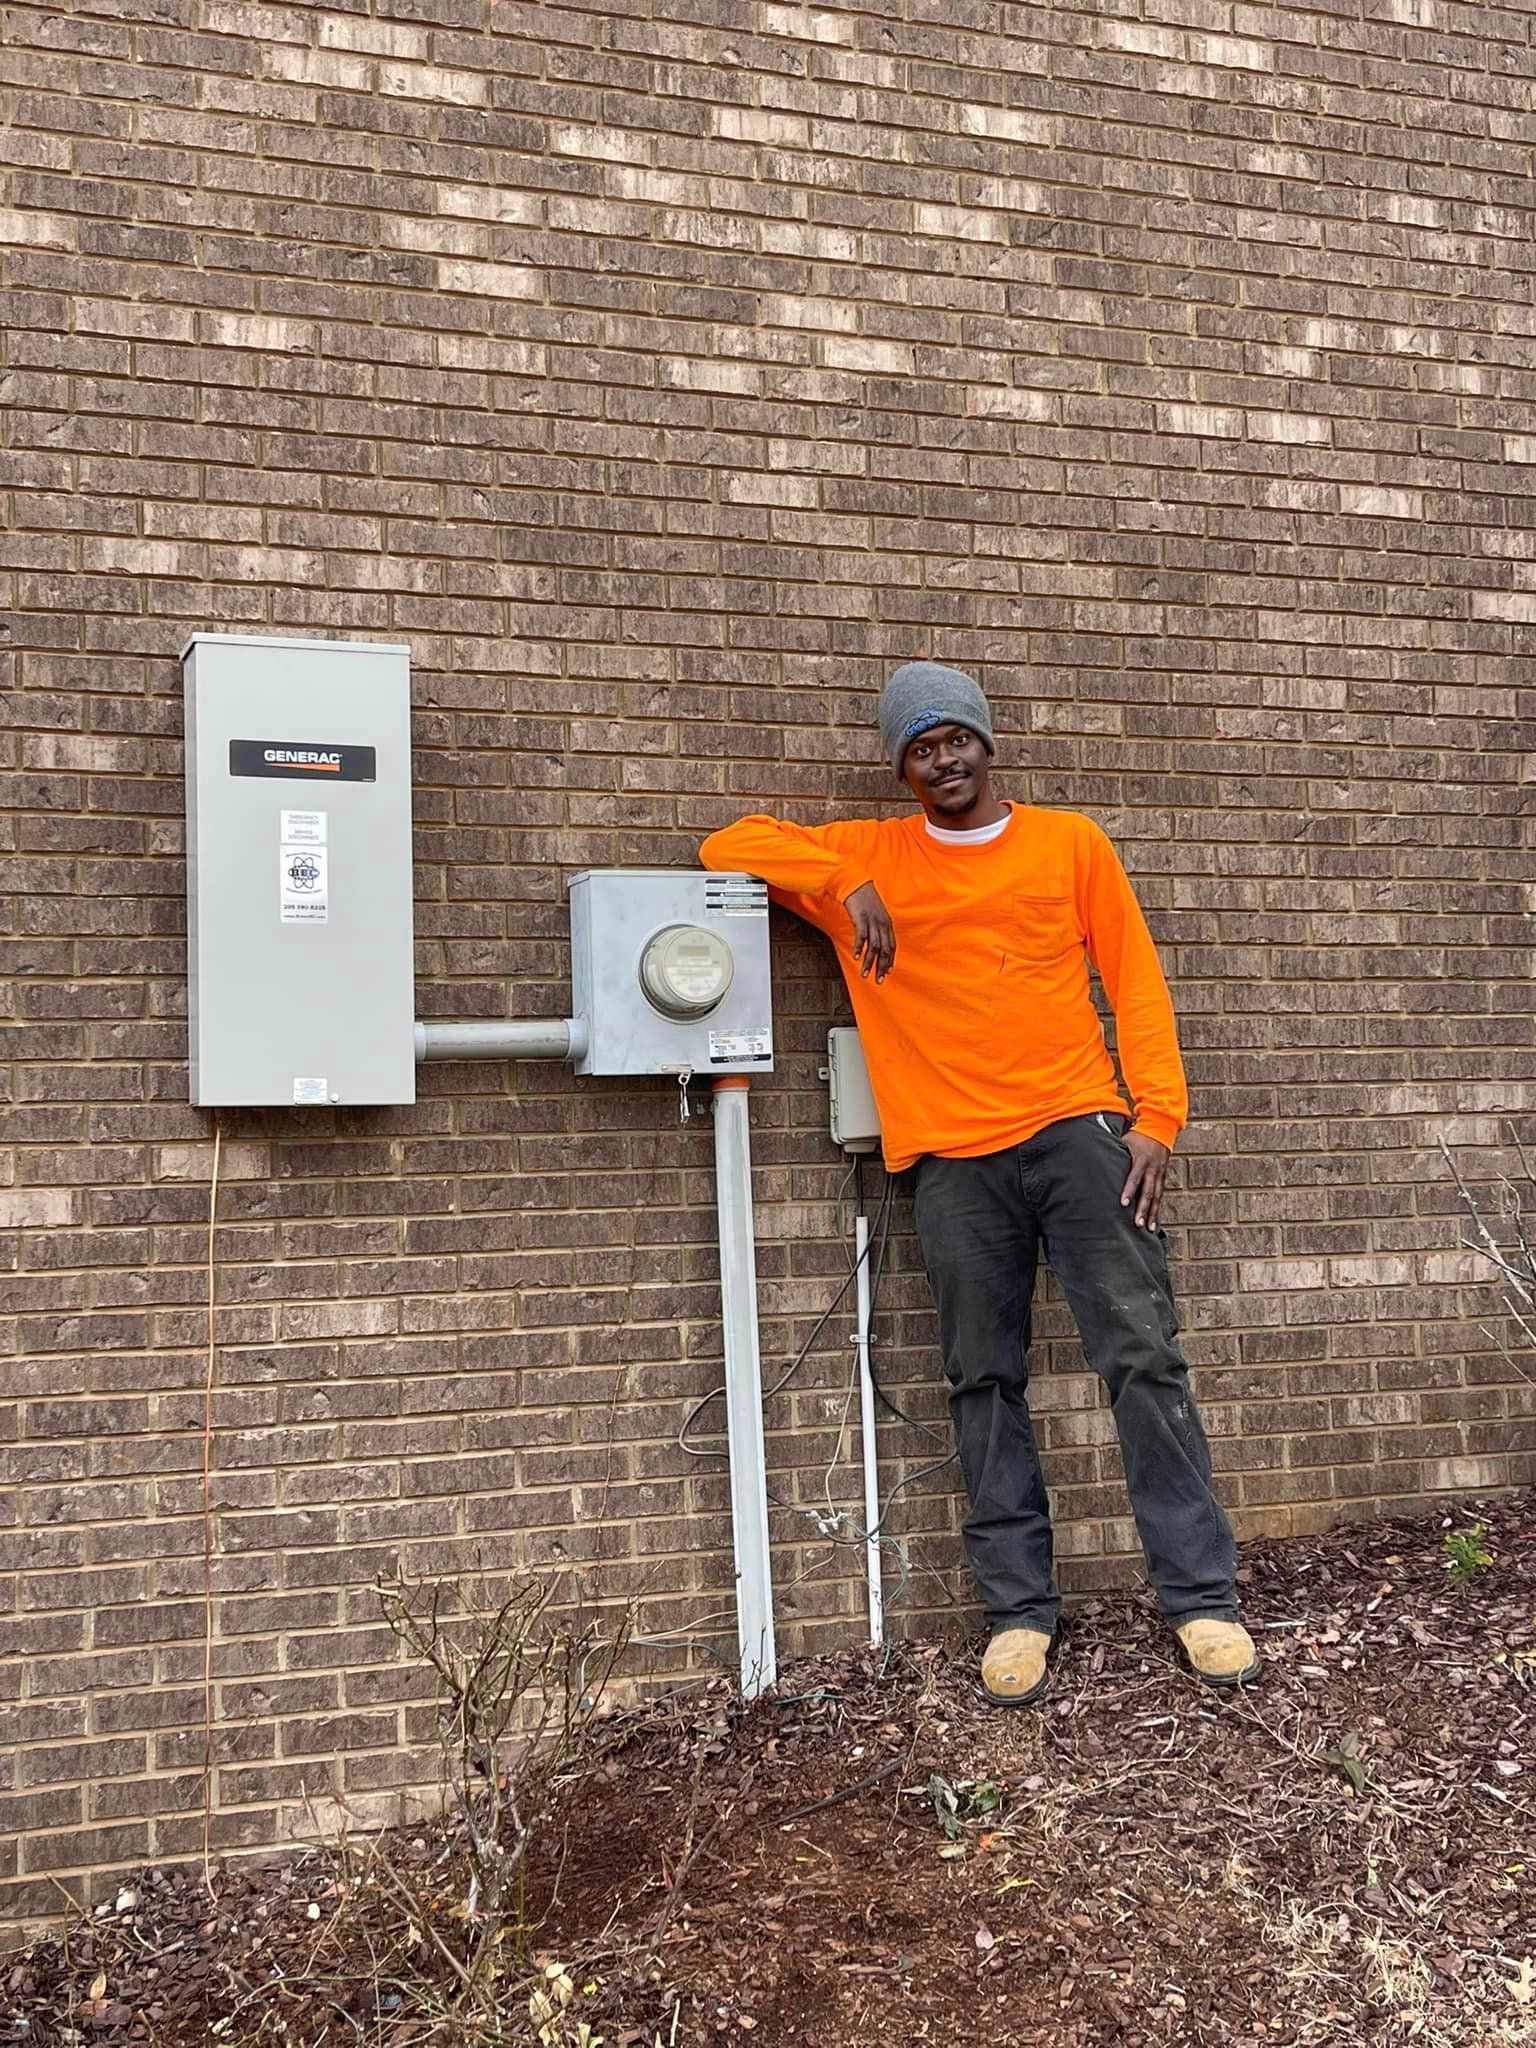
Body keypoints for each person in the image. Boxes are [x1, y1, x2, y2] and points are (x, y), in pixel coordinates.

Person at [698, 660, 1259, 1705]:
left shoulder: (1069, 842)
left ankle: (1201, 1596)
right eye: (919, 745)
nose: (942, 758)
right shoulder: (870, 854)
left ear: (987, 741)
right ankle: (1018, 1614)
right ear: (901, 766)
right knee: (983, 1378)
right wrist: (842, 884)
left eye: (955, 736)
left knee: (1143, 1357)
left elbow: (1134, 976)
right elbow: (727, 843)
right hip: (952, 1161)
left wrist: (1158, 1120)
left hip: (1080, 1135)